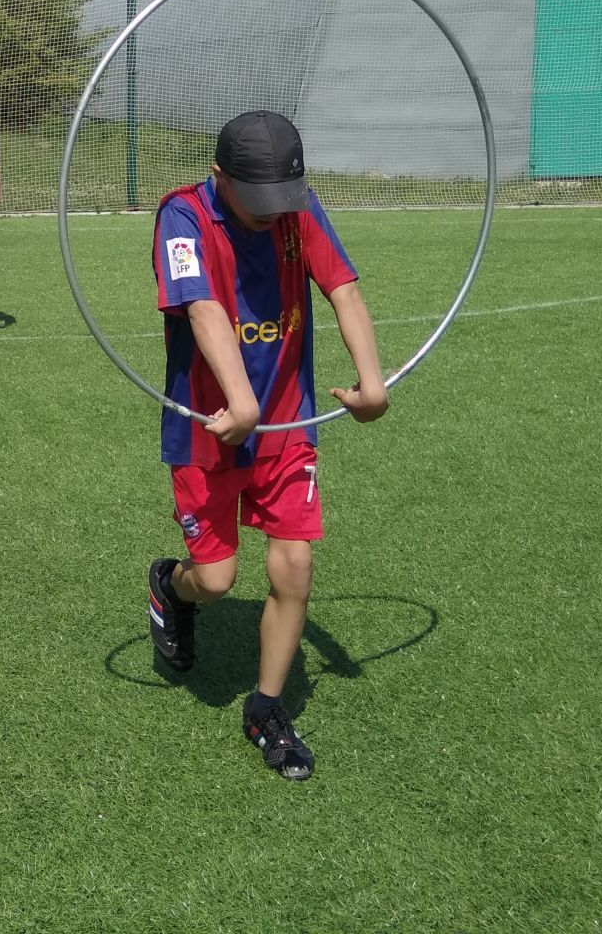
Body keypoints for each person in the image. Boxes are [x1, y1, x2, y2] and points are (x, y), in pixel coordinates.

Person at [144, 110, 388, 781]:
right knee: (217, 580)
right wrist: (238, 399)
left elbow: (342, 287)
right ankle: (173, 585)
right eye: (256, 201)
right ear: (219, 175)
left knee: (294, 569)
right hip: (210, 430)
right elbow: (202, 307)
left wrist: (373, 382)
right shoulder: (182, 217)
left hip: (286, 425)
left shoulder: (294, 206)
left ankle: (268, 709)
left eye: (279, 200)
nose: (269, 215)